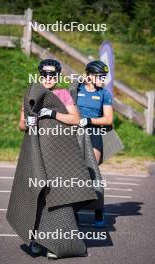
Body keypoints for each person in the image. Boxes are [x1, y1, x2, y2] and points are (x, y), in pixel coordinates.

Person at [18, 59, 82, 259]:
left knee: (56, 196)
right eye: (45, 75)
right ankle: (37, 240)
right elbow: (20, 125)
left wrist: (53, 113)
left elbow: (76, 119)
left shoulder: (63, 94)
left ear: (58, 75)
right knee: (37, 195)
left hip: (57, 154)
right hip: (37, 152)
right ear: (40, 75)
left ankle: (57, 243)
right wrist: (27, 122)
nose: (48, 78)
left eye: (52, 75)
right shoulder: (31, 93)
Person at [76, 60, 113, 227]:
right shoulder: (77, 89)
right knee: (75, 173)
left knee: (92, 172)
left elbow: (108, 119)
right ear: (90, 75)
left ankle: (99, 209)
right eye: (100, 76)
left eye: (105, 76)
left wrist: (88, 120)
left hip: (94, 133)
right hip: (76, 134)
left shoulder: (105, 94)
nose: (103, 79)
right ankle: (74, 210)